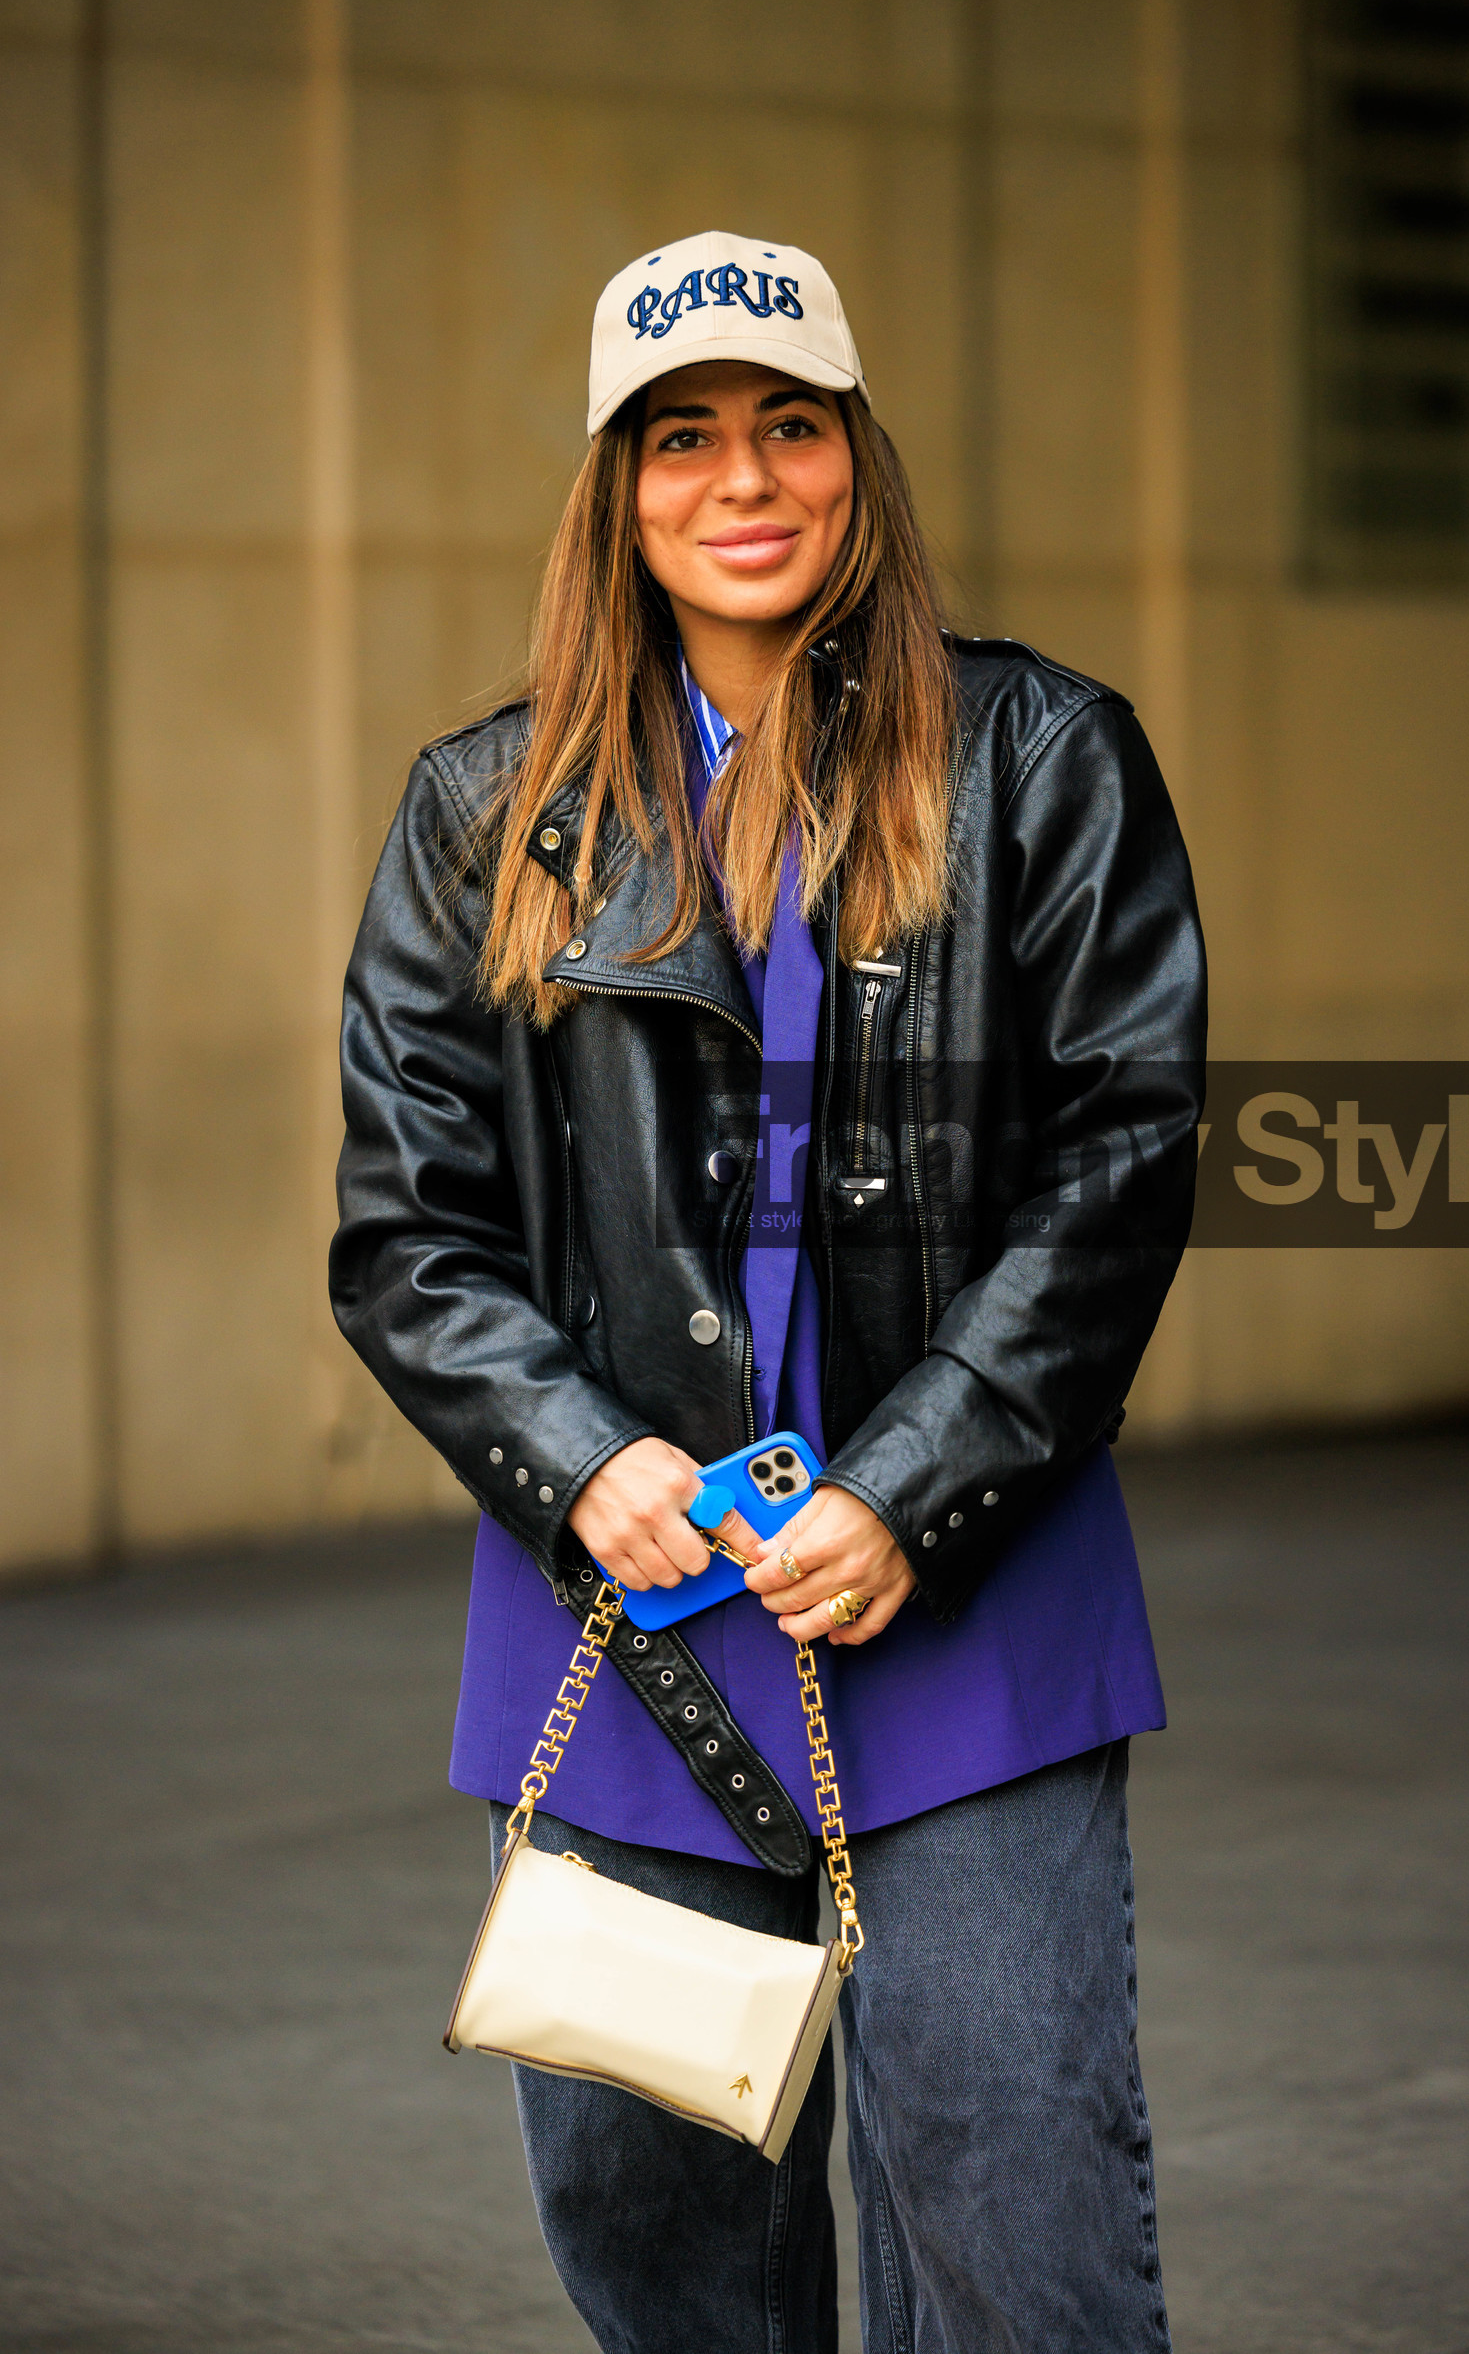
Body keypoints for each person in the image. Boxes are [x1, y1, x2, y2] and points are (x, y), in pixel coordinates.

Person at [331, 229, 1205, 2354]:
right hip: (638, 1616)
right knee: (658, 2238)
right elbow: (406, 1231)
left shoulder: (1038, 757)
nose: (742, 478)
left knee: (1014, 2231)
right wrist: (582, 1463)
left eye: (787, 426)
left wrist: (910, 1484)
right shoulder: (486, 815)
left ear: (854, 462)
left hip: (964, 1594)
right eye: (682, 438)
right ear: (615, 494)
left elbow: (1122, 1155)